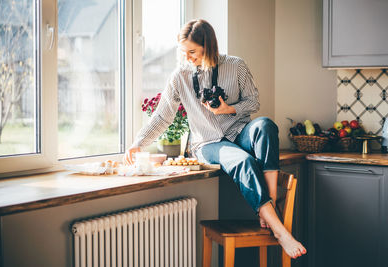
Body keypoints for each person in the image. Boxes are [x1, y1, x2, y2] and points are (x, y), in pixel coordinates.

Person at [123, 19, 306, 259]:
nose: (188, 58)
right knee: (243, 162)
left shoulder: (236, 65)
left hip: (238, 131)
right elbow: (163, 116)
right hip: (208, 143)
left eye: (193, 52)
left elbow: (254, 102)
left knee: (266, 125)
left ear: (208, 46)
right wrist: (138, 143)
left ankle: (268, 208)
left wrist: (228, 109)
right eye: (184, 53)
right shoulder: (180, 76)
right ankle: (280, 229)